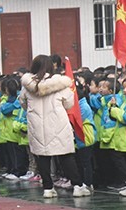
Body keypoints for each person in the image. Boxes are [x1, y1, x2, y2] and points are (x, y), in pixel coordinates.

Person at [20, 55, 91, 198]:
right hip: (58, 124)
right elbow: (69, 104)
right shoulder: (60, 84)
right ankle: (77, 186)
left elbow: (23, 103)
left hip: (37, 125)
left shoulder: (27, 86)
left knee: (42, 157)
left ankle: (48, 188)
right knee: (65, 156)